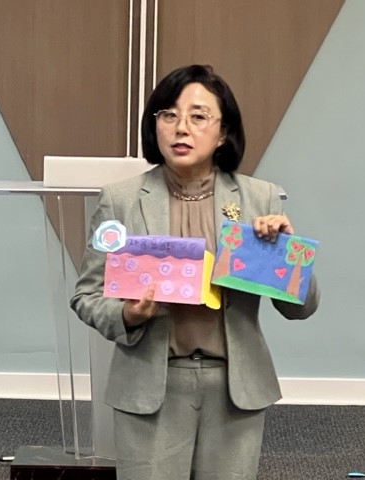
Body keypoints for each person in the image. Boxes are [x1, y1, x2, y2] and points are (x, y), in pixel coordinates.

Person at [70, 64, 319, 480]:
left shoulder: (259, 198)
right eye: (169, 115)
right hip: (150, 384)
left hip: (234, 388)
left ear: (223, 132)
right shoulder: (121, 200)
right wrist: (128, 315)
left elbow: (302, 308)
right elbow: (86, 295)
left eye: (198, 116)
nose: (181, 127)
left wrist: (286, 257)